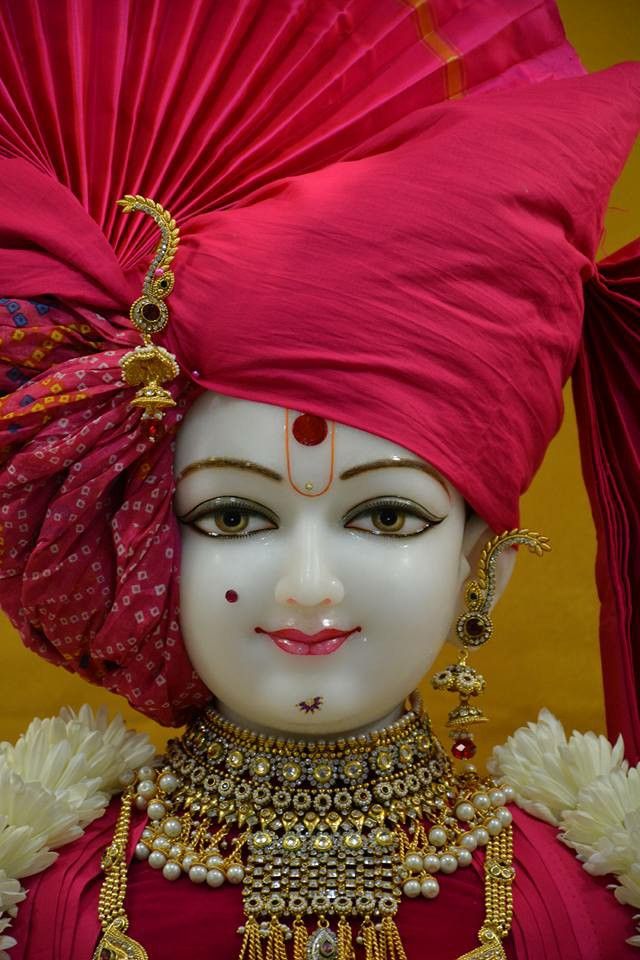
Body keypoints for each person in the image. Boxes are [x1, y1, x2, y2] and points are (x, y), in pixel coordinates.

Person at [0, 3, 639, 958]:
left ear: (485, 566)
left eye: (383, 515)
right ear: (139, 535)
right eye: (232, 514)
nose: (307, 585)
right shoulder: (41, 899)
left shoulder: (589, 901)